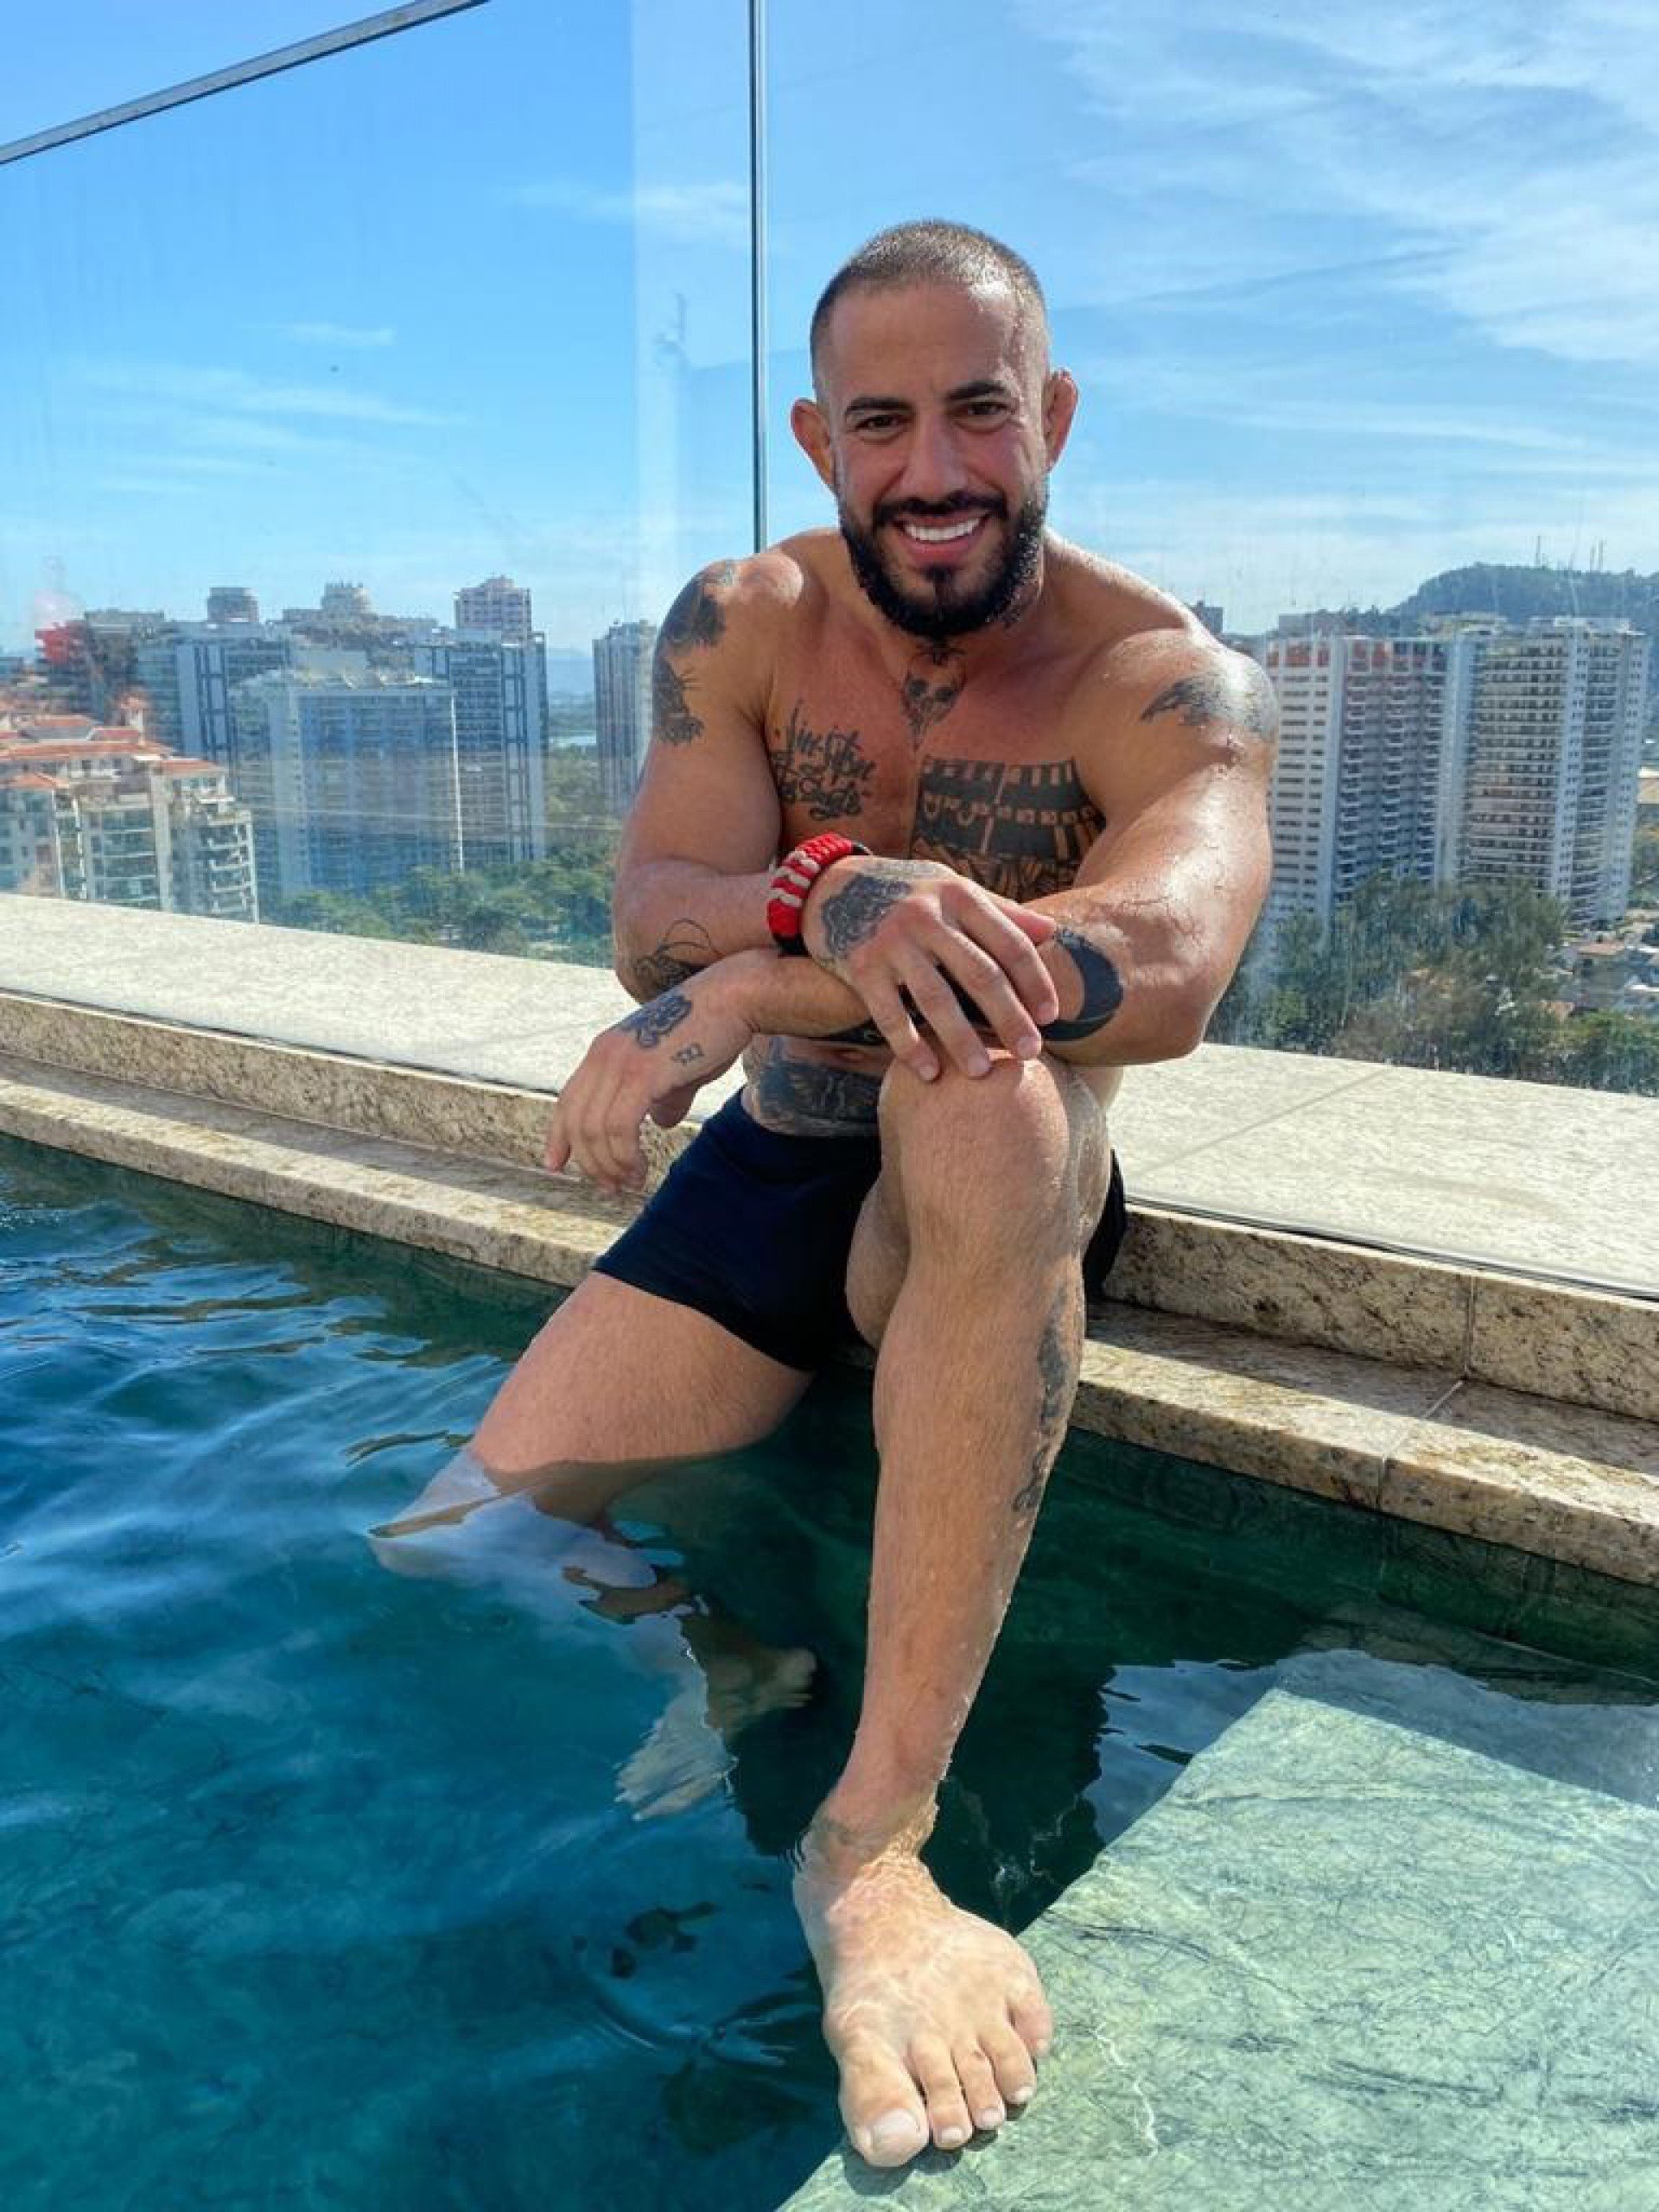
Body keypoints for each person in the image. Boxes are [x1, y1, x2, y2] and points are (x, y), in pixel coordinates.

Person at [393, 220, 1274, 2168]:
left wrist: (765, 978)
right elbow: (651, 916)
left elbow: (1170, 964)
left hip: (979, 1193)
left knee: (978, 1089)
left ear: (1053, 417)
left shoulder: (1161, 678)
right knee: (450, 1540)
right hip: (778, 1162)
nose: (934, 469)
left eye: (980, 411)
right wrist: (832, 892)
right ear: (818, 438)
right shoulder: (748, 625)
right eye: (884, 422)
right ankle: (723, 1642)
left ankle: (872, 1844)